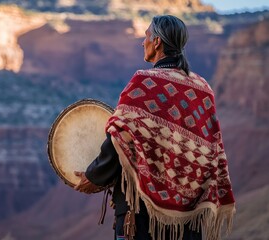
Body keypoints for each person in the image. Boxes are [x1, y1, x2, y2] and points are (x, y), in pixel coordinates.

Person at [74, 15, 235, 240]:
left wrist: (94, 175)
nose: (143, 42)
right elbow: (211, 150)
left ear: (157, 42)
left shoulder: (144, 82)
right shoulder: (204, 90)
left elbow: (120, 138)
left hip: (142, 220)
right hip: (189, 223)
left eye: (147, 36)